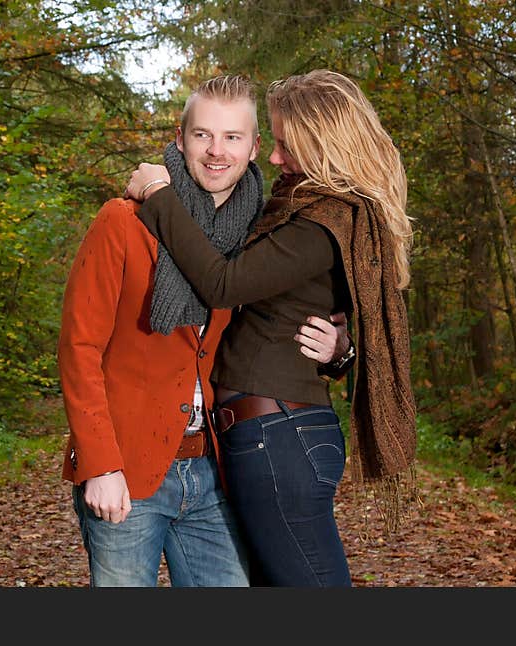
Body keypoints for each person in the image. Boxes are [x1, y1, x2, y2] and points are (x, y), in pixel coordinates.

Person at [124, 69, 417, 587]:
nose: (275, 158)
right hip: (271, 432)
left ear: (324, 143)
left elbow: (221, 282)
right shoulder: (302, 211)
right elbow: (325, 311)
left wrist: (159, 195)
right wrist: (339, 351)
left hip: (279, 437)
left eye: (287, 146)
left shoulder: (319, 223)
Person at [58, 74, 351, 587]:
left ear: (255, 147)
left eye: (233, 137)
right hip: (128, 468)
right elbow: (79, 347)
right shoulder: (122, 222)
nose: (217, 152)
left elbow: (282, 321)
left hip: (214, 470)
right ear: (180, 138)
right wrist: (99, 464)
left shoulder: (257, 235)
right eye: (203, 135)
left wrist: (339, 349)